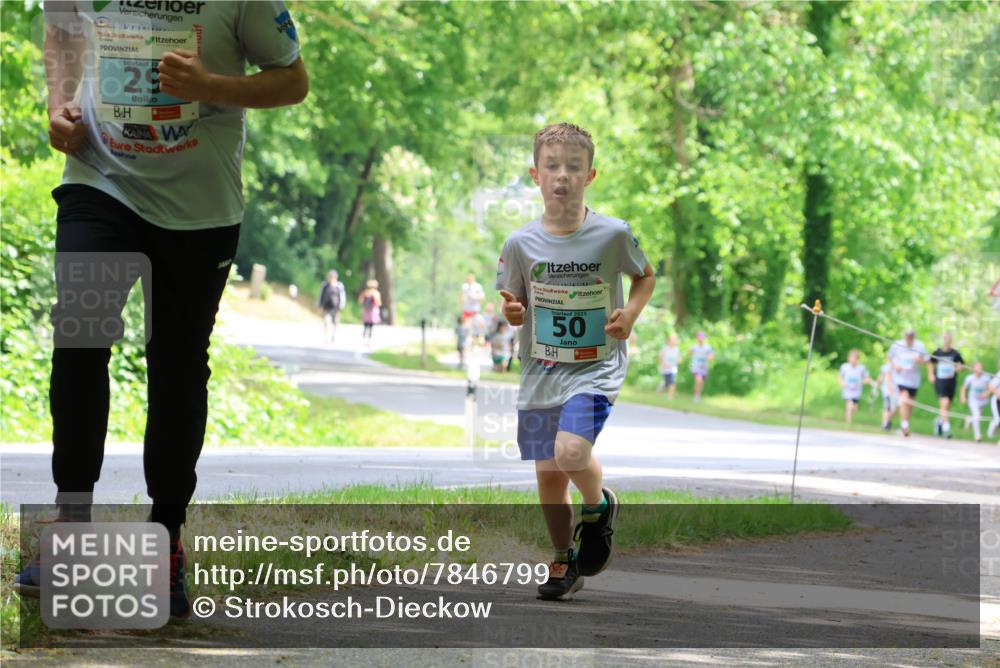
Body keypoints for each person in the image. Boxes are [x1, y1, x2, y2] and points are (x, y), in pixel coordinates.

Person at [18, 1, 308, 617]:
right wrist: (59, 105)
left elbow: (293, 81)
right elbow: (65, 28)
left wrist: (211, 87)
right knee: (80, 336)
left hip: (199, 205)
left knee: (175, 365)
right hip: (100, 181)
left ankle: (166, 537)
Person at [496, 123, 655, 600]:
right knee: (547, 475)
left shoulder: (612, 234)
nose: (561, 176)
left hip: (595, 367)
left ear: (591, 175)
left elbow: (645, 276)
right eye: (552, 166)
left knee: (570, 454)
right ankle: (563, 560)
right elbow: (512, 303)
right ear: (535, 175)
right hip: (541, 368)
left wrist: (629, 313)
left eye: (573, 167)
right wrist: (512, 312)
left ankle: (599, 505)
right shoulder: (519, 244)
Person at [889, 328, 929, 437]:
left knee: (910, 404)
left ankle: (905, 422)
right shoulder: (897, 345)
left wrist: (920, 361)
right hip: (901, 378)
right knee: (904, 399)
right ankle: (904, 425)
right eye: (908, 336)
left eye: (911, 337)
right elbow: (890, 358)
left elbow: (927, 360)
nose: (909, 339)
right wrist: (895, 366)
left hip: (914, 380)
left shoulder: (919, 346)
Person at [928, 332, 965, 438]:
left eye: (949, 338)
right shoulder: (938, 352)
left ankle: (939, 421)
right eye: (945, 338)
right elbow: (930, 362)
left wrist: (959, 368)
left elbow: (961, 365)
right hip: (940, 381)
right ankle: (946, 428)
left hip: (951, 382)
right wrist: (930, 374)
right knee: (944, 403)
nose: (947, 340)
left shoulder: (955, 354)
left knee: (947, 406)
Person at [838, 349, 876, 425]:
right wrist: (843, 383)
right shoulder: (844, 367)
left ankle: (847, 416)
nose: (852, 360)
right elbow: (839, 377)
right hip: (848, 390)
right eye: (851, 358)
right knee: (850, 404)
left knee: (854, 408)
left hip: (856, 391)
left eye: (854, 358)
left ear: (857, 359)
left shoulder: (861, 368)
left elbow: (867, 378)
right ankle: (848, 423)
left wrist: (861, 382)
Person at [960, 362, 992, 442]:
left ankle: (969, 420)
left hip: (983, 400)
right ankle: (977, 436)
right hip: (973, 400)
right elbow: (963, 388)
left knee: (977, 417)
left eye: (980, 368)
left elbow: (991, 387)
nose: (979, 370)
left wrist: (987, 393)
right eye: (977, 368)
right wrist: (963, 397)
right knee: (977, 416)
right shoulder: (969, 378)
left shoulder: (986, 378)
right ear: (973, 369)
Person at [317, 270, 347, 343]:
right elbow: (321, 295)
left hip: (336, 308)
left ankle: (334, 335)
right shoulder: (325, 285)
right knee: (326, 321)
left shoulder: (339, 286)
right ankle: (326, 336)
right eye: (329, 277)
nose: (330, 278)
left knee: (335, 322)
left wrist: (342, 305)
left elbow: (342, 296)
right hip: (327, 307)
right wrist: (319, 305)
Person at [689, 331, 715, 403]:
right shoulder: (694, 347)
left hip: (704, 368)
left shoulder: (708, 348)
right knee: (698, 380)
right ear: (697, 339)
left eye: (702, 338)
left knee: (701, 383)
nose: (700, 339)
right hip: (696, 367)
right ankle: (696, 396)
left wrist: (709, 358)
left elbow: (712, 357)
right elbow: (690, 353)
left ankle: (698, 394)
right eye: (699, 338)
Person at [876, 354, 900, 431]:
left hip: (896, 392)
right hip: (888, 392)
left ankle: (888, 422)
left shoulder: (897, 366)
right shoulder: (886, 367)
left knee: (895, 409)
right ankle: (885, 424)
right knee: (888, 408)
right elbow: (886, 379)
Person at [359, 279, 382, 346]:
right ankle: (369, 341)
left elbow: (360, 301)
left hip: (366, 311)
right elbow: (379, 303)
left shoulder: (365, 292)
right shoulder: (376, 293)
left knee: (365, 326)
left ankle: (364, 338)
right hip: (373, 312)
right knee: (371, 327)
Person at [658, 333, 680, 398]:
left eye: (674, 340)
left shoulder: (676, 350)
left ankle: (670, 396)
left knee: (672, 382)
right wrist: (662, 364)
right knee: (667, 383)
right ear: (668, 341)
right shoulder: (665, 349)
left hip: (673, 369)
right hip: (665, 369)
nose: (673, 342)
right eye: (671, 340)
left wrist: (677, 362)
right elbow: (660, 357)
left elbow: (679, 358)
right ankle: (662, 386)